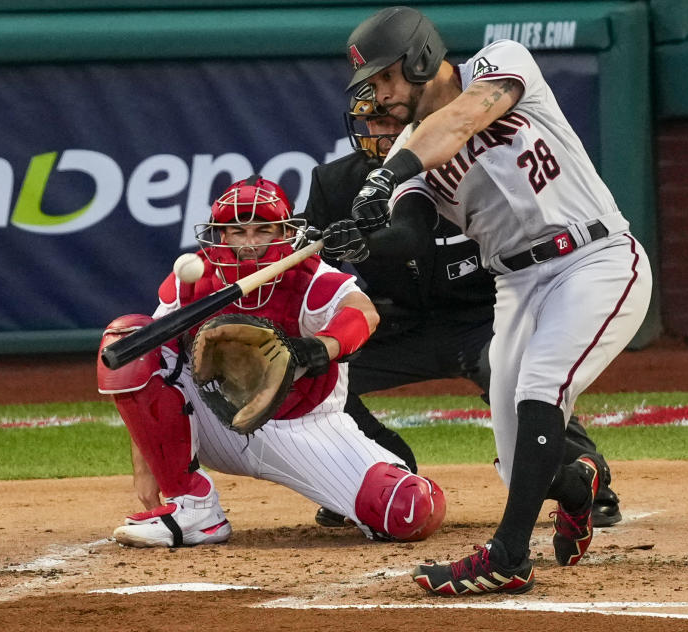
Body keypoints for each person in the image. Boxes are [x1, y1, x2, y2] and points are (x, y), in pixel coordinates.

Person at [321, 7, 652, 595]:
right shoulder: (408, 156)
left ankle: (508, 556)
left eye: (386, 78)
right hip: (519, 286)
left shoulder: (499, 63)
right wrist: (364, 242)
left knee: (541, 385)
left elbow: (461, 119)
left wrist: (386, 172)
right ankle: (580, 485)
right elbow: (412, 237)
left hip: (592, 257)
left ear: (421, 57)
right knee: (518, 461)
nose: (380, 94)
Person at [305, 83, 623, 530]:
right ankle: (379, 469)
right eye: (374, 122)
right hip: (398, 326)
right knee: (316, 370)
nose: (383, 132)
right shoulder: (335, 184)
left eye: (393, 122)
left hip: (485, 317)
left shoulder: (475, 169)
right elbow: (311, 277)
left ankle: (586, 476)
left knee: (519, 376)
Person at [96, 175, 446, 547]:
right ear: (221, 234)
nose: (249, 244)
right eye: (237, 231)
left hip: (303, 426)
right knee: (129, 338)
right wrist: (147, 466)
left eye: (263, 230)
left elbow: (363, 313)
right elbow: (148, 366)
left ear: (284, 230)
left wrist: (319, 347)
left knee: (409, 510)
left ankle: (350, 495)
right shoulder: (192, 280)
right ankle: (193, 507)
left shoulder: (311, 276)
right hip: (218, 422)